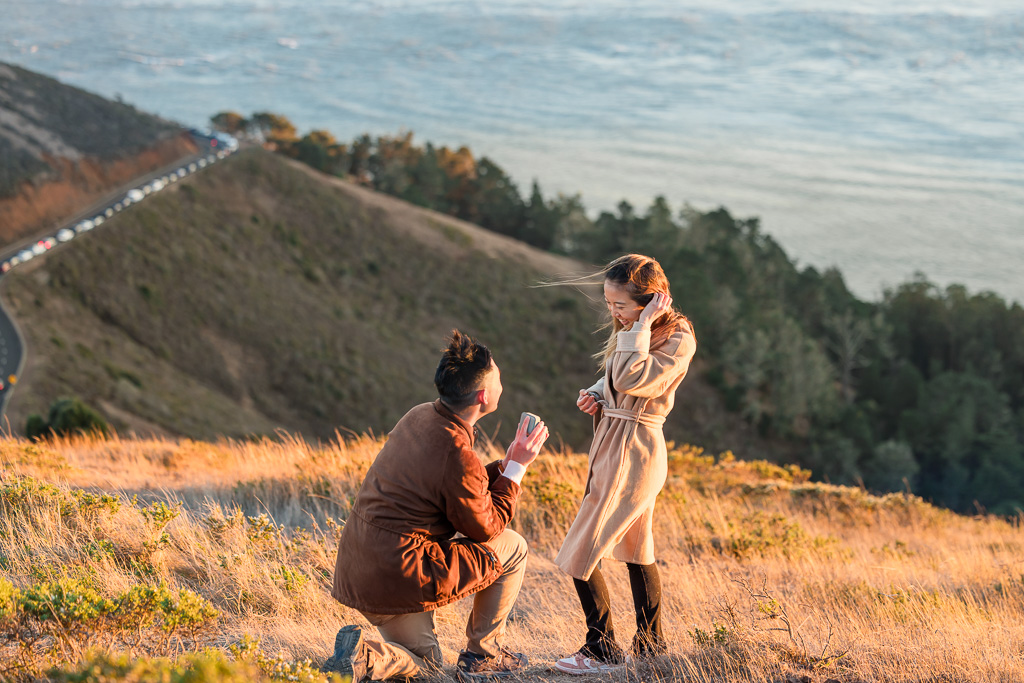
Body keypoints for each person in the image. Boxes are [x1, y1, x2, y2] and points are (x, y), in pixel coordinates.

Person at [324, 330, 549, 682]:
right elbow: (487, 528)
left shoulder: (418, 416)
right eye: (499, 378)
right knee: (514, 547)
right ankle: (482, 655)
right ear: (483, 395)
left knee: (427, 666)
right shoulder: (456, 452)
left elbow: (456, 486)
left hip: (361, 570)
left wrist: (505, 467)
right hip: (397, 573)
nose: (503, 383)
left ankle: (362, 657)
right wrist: (518, 469)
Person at [552, 254, 697, 675]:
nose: (612, 312)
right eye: (609, 303)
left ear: (651, 301)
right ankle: (650, 648)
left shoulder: (677, 336)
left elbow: (636, 379)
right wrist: (597, 394)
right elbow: (617, 377)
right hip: (617, 439)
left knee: (581, 549)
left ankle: (601, 650)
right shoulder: (636, 329)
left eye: (620, 304)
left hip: (635, 447)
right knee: (637, 548)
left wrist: (642, 325)